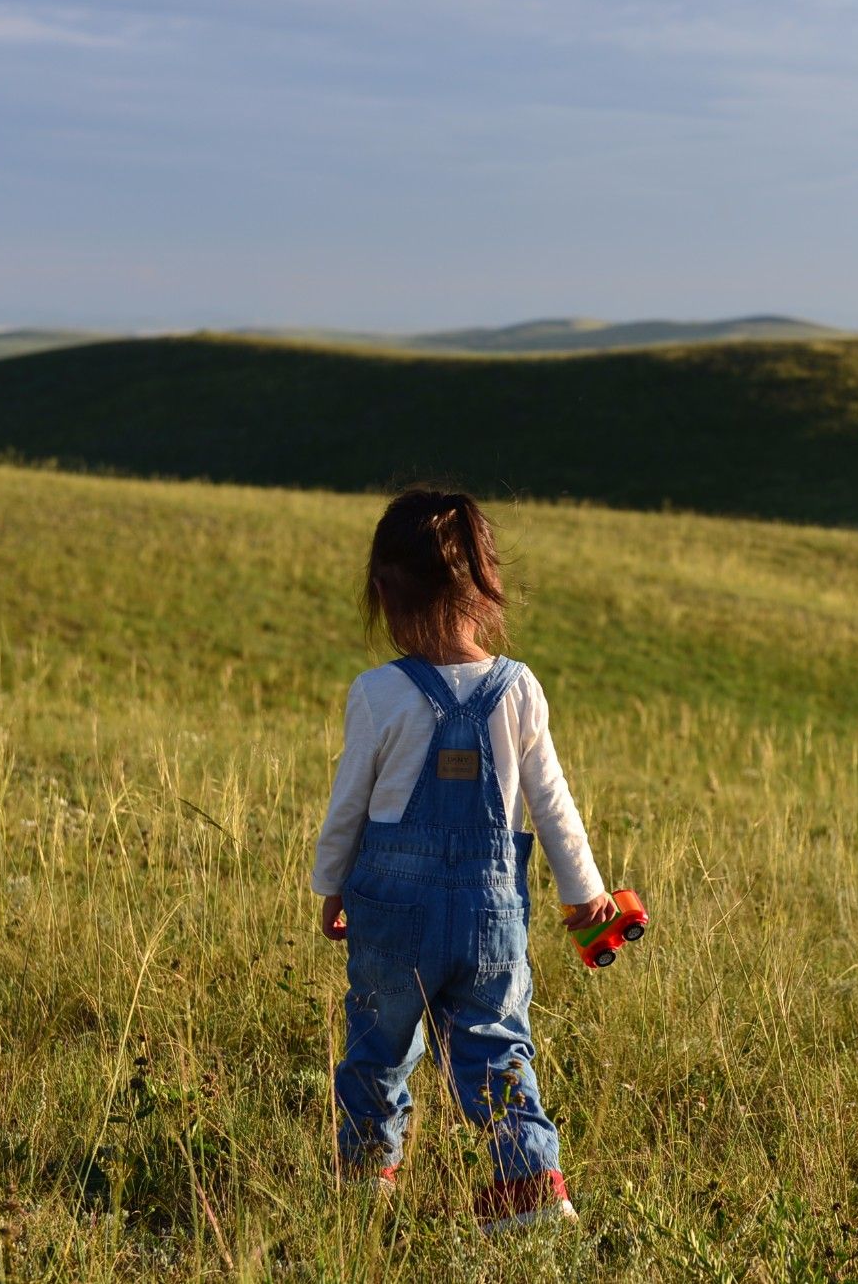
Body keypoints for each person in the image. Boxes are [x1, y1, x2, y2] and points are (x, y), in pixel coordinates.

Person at [313, 488, 615, 1232]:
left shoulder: (378, 692)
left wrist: (330, 883)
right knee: (497, 1047)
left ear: (383, 594)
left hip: (391, 916)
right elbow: (553, 806)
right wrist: (586, 895)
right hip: (490, 917)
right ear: (484, 590)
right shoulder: (520, 690)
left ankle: (367, 1171)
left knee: (379, 1041)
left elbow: (348, 801)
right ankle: (528, 1186)